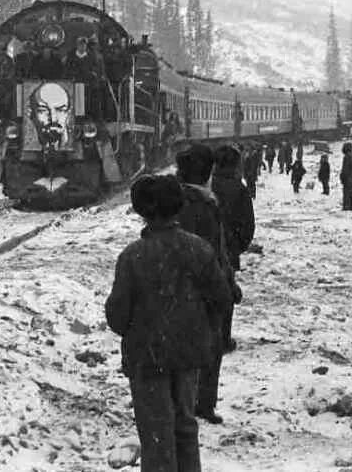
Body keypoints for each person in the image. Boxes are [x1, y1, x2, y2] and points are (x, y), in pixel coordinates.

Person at [105, 175, 232, 472]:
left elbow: (117, 317)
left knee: (156, 433)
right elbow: (222, 299)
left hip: (147, 359)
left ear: (141, 210)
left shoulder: (132, 256)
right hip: (188, 355)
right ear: (178, 207)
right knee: (185, 426)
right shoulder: (199, 249)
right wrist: (199, 328)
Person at [175, 145, 241, 425]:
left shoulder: (180, 199)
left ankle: (188, 401)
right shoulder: (203, 203)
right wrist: (226, 285)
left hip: (183, 287)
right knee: (210, 347)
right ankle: (202, 403)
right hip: (203, 287)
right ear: (207, 173)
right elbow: (212, 250)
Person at [211, 146, 255, 352]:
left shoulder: (207, 185)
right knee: (226, 295)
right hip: (227, 252)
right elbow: (248, 226)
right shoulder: (239, 188)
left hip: (201, 249)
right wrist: (236, 247)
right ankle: (223, 339)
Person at [339, 142, 352, 211]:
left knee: (346, 193)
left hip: (347, 178)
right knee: (351, 194)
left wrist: (342, 177)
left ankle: (346, 207)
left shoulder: (346, 157)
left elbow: (345, 169)